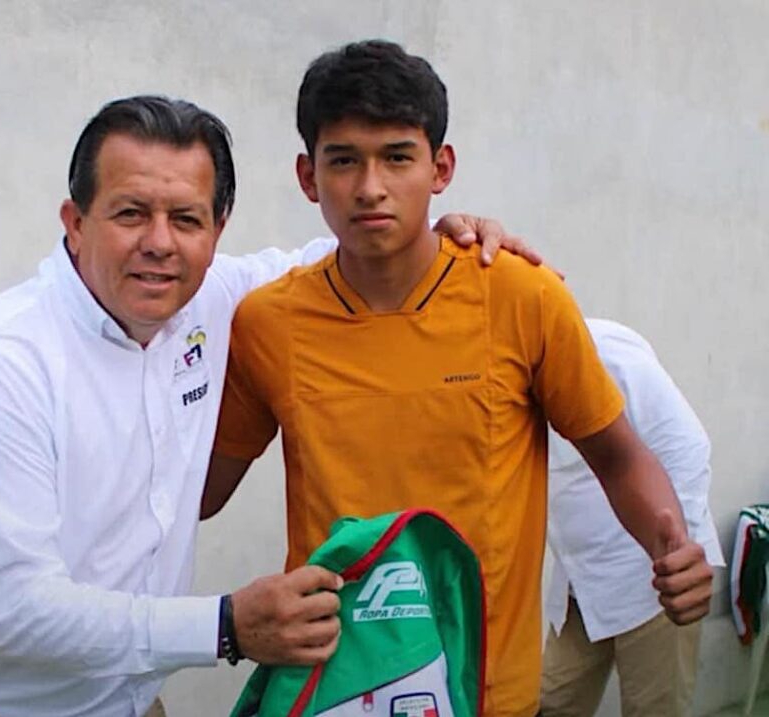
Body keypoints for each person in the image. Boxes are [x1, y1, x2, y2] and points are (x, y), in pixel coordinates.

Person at [0, 94, 531, 717]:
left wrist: (447, 233)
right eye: (130, 213)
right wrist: (226, 626)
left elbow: (358, 260)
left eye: (187, 219)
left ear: (218, 230)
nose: (160, 242)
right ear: (75, 223)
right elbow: (15, 609)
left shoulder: (217, 298)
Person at [202, 40, 714, 717]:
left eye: (397, 157)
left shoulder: (522, 296)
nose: (371, 186)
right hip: (339, 684)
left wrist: (672, 545)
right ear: (307, 175)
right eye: (344, 160)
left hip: (488, 691)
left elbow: (616, 455)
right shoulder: (267, 322)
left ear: (440, 168)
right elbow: (196, 493)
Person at [541, 319, 725, 717]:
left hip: (654, 581)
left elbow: (686, 444)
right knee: (549, 703)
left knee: (653, 709)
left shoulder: (601, 350)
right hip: (581, 581)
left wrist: (677, 555)